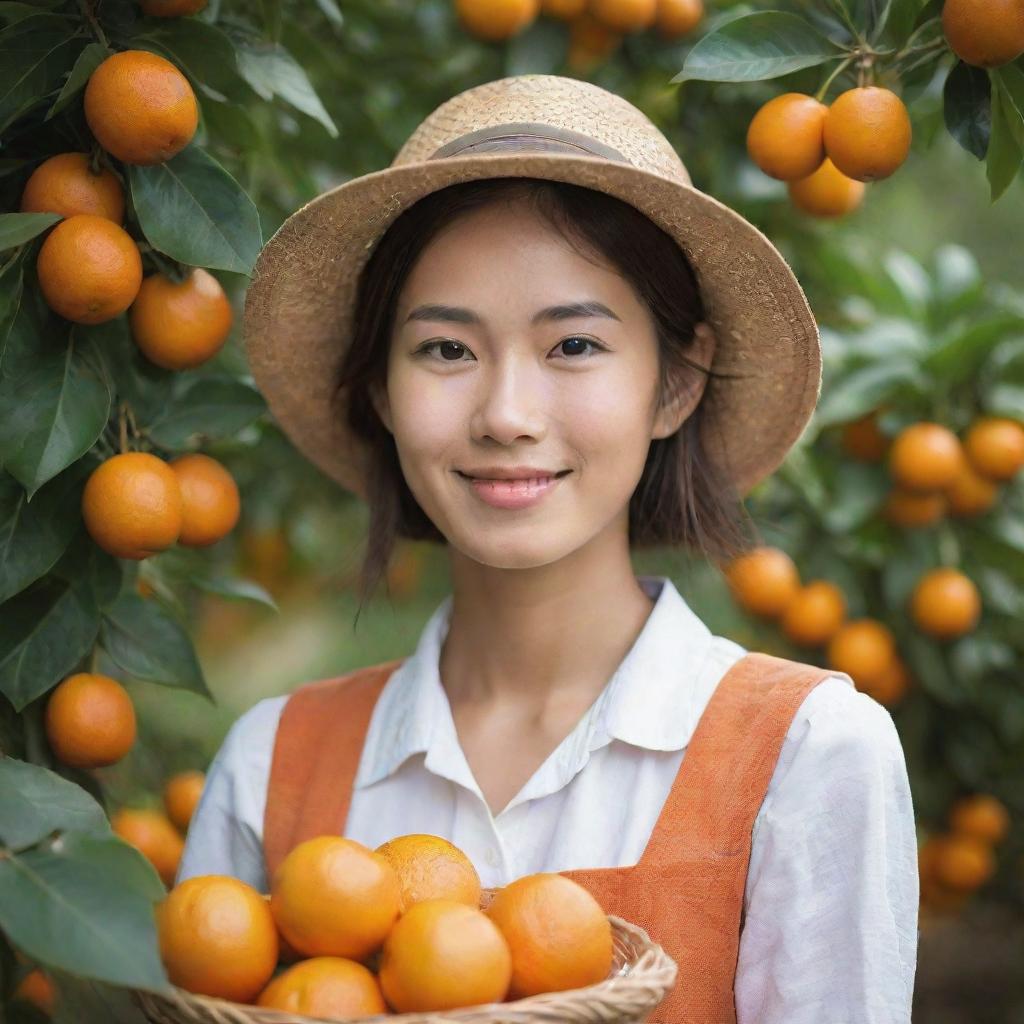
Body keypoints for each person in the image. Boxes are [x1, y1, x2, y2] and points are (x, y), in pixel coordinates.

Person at [178, 74, 918, 1022]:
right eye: (446, 350)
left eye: (573, 346)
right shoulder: (270, 766)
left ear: (676, 385)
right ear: (379, 392)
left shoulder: (806, 758)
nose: (507, 416)